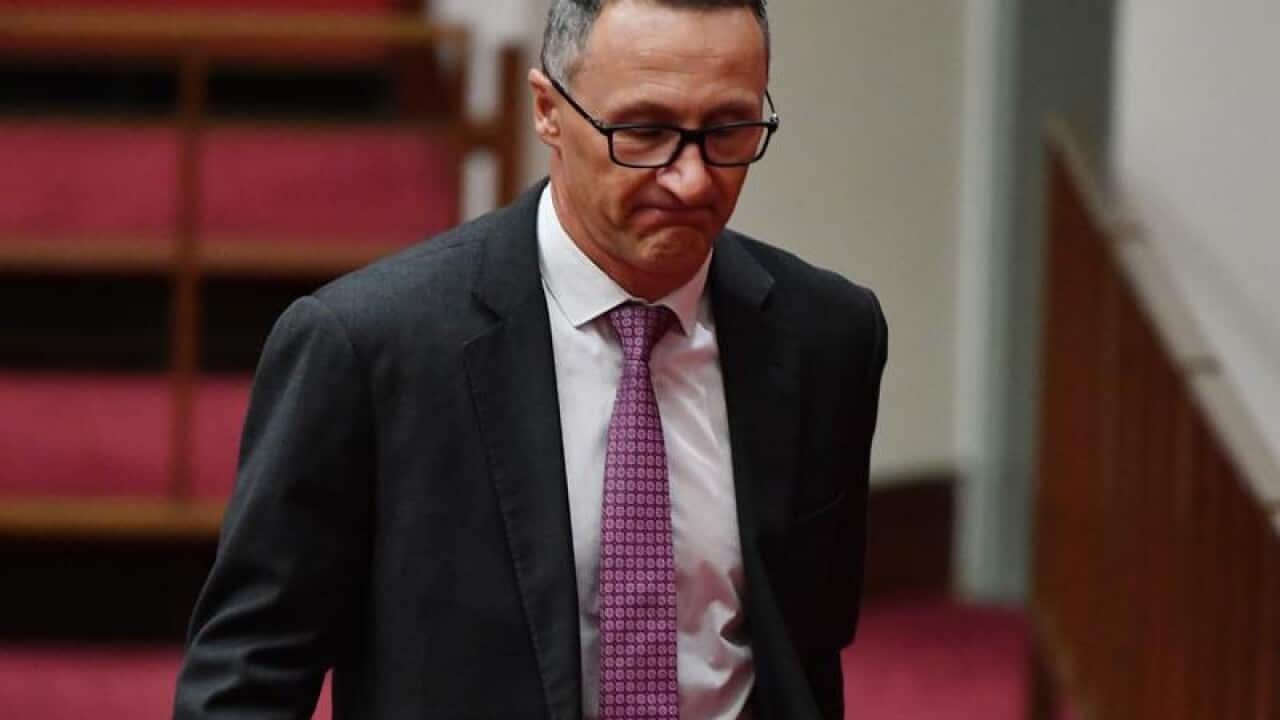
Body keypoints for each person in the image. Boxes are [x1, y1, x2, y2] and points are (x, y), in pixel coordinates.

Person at [172, 0, 887, 718]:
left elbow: (808, 647)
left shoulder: (828, 337)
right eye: (643, 132)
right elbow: (246, 680)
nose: (693, 180)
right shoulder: (369, 347)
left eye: (729, 129)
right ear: (548, 110)